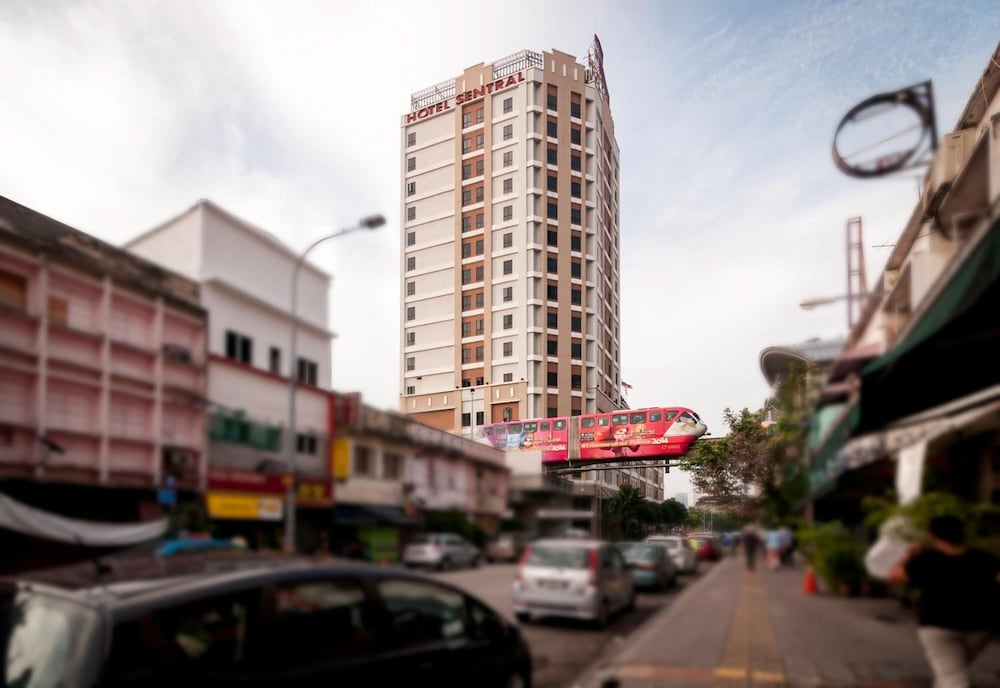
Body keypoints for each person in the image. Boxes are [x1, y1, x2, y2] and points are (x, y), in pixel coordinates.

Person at [887, 515, 999, 688]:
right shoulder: (984, 558)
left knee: (952, 677)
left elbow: (893, 576)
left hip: (938, 626)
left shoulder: (925, 560)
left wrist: (908, 555)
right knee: (950, 671)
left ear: (933, 535)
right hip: (979, 628)